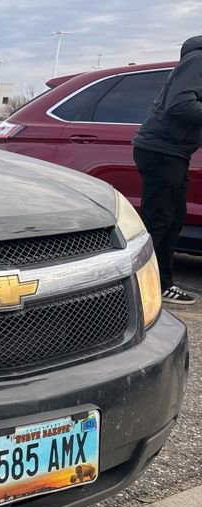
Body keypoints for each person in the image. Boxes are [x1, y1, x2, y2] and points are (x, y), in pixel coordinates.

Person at [132, 36, 202, 305]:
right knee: (159, 222)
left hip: (174, 152)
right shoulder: (198, 59)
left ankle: (161, 284)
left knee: (173, 220)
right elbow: (180, 104)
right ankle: (140, 286)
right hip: (161, 151)